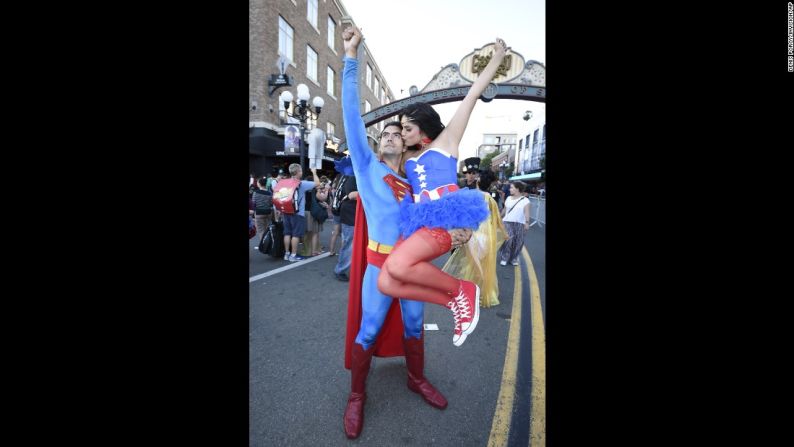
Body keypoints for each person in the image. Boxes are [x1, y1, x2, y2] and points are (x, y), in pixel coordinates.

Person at [340, 27, 473, 440]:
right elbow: (349, 115)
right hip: (379, 264)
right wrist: (349, 58)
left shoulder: (415, 178)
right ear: (379, 144)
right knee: (369, 328)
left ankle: (417, 378)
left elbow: (440, 199)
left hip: (414, 265)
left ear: (409, 143)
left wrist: (461, 226)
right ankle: (357, 396)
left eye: (400, 133)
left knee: (414, 326)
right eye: (387, 134)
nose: (393, 135)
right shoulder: (367, 167)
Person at [375, 32, 510, 347]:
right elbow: (389, 171)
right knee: (386, 281)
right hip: (423, 222)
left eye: (407, 128)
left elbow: (473, 94)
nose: (403, 133)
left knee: (396, 266)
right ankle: (453, 300)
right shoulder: (407, 158)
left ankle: (462, 292)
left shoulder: (447, 140)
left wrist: (496, 59)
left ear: (422, 126)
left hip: (446, 220)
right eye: (401, 129)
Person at [442, 169, 506, 307]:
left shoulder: (472, 196)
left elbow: (464, 215)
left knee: (472, 264)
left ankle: (471, 291)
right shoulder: (492, 199)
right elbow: (498, 220)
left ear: (478, 181)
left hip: (475, 234)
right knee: (480, 264)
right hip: (488, 235)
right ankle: (481, 291)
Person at [281, 163, 320, 262]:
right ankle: (293, 255)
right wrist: (314, 173)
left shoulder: (284, 182)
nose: (302, 172)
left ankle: (286, 254)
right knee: (295, 234)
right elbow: (317, 183)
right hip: (298, 213)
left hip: (286, 211)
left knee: (287, 233)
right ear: (298, 172)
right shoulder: (301, 183)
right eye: (301, 170)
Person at [498, 181, 531, 266]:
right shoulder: (508, 198)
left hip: (520, 223)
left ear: (517, 189)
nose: (510, 189)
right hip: (507, 222)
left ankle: (513, 258)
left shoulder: (525, 201)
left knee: (518, 242)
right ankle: (505, 257)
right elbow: (505, 210)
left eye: (512, 187)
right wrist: (498, 217)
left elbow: (527, 213)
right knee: (508, 239)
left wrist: (527, 223)